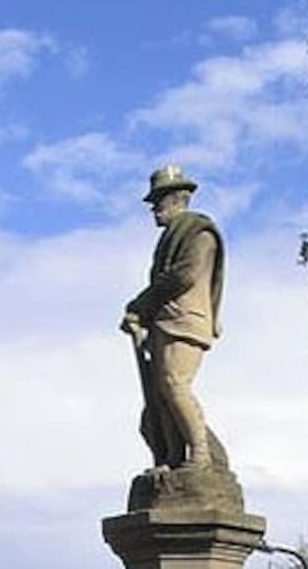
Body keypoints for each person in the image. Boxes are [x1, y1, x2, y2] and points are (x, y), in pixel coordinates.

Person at [120, 165, 224, 470]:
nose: (154, 208)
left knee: (174, 384)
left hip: (185, 320)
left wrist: (141, 304)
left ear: (178, 198)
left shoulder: (199, 233)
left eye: (159, 200)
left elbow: (183, 275)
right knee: (160, 398)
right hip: (166, 321)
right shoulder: (173, 235)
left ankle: (202, 455)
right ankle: (173, 458)